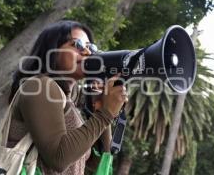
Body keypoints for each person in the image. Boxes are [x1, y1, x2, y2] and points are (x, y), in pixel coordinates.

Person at [7, 20, 128, 174]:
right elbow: (59, 159)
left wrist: (102, 108)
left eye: (90, 47)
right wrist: (105, 115)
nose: (87, 52)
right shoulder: (40, 86)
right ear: (52, 49)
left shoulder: (68, 101)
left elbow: (92, 164)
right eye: (77, 45)